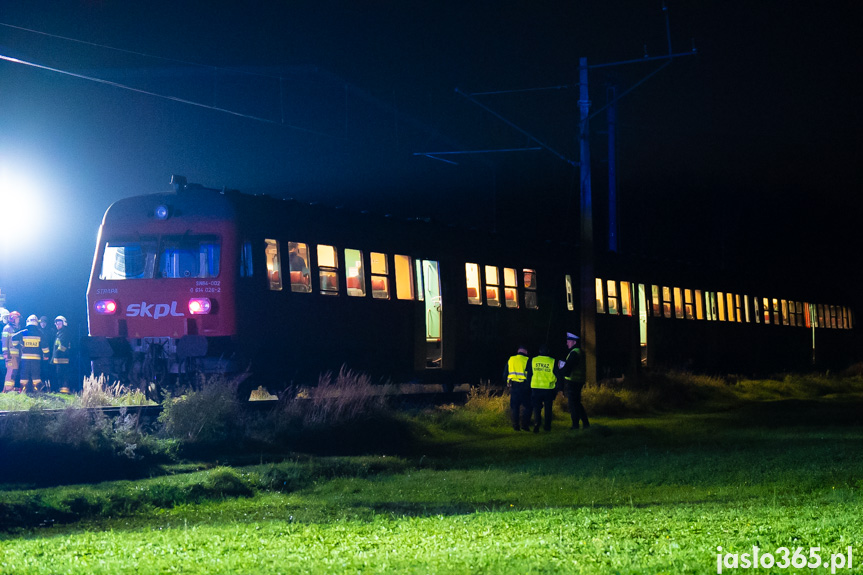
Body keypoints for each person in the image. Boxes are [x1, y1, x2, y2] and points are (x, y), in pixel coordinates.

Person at [560, 332, 590, 429]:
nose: (566, 343)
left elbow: (568, 368)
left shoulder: (574, 353)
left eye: (568, 341)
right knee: (577, 403)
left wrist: (561, 368)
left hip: (572, 381)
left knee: (573, 404)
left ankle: (575, 425)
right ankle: (585, 423)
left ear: (573, 342)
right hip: (578, 381)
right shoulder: (579, 352)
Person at [527, 344, 558, 433]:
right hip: (548, 388)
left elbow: (529, 374)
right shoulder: (552, 361)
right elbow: (557, 374)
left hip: (536, 388)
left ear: (539, 351)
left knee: (537, 408)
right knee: (548, 408)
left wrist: (529, 385)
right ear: (548, 352)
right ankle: (547, 427)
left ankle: (536, 425)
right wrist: (558, 387)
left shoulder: (533, 360)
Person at [18, 314, 50, 394]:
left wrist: (17, 346)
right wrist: (46, 355)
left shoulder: (23, 332)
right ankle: (37, 389)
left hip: (25, 358)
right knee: (36, 374)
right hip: (36, 359)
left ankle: (23, 389)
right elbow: (45, 346)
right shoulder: (40, 333)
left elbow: (13, 338)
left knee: (24, 373)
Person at [504, 345, 532, 431]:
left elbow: (505, 374)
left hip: (514, 386)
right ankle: (525, 425)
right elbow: (530, 374)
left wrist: (508, 383)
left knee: (515, 407)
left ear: (518, 351)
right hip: (525, 386)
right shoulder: (528, 360)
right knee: (528, 407)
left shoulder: (511, 359)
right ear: (526, 352)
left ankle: (516, 426)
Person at [52, 316, 73, 394]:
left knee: (63, 375)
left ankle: (64, 390)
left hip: (63, 358)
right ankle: (62, 389)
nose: (57, 325)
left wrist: (56, 354)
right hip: (59, 358)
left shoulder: (64, 333)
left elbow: (63, 346)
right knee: (59, 374)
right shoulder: (59, 333)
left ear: (64, 324)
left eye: (59, 323)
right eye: (56, 324)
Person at [2, 311, 22, 392]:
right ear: (13, 318)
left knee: (14, 372)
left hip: (16, 355)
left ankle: (7, 389)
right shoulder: (7, 328)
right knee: (11, 372)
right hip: (10, 355)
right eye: (17, 318)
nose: (19, 320)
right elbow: (4, 341)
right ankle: (8, 389)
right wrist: (6, 353)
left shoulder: (15, 328)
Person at [39, 316, 56, 389]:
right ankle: (42, 386)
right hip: (39, 354)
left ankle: (50, 386)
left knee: (48, 370)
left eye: (44, 322)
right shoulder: (38, 331)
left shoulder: (51, 331)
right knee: (40, 370)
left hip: (49, 354)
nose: (43, 324)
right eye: (41, 322)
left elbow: (52, 343)